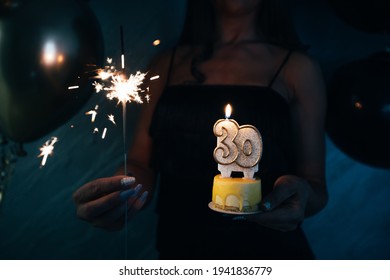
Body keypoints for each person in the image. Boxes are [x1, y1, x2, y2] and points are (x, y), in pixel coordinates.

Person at [73, 0, 328, 259]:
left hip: (271, 253)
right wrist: (121, 194)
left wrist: (302, 195)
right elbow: (140, 162)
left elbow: (316, 185)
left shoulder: (298, 68)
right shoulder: (165, 64)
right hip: (181, 251)